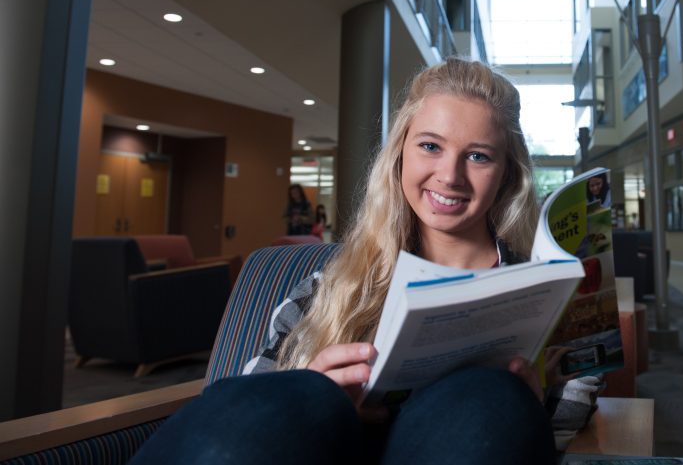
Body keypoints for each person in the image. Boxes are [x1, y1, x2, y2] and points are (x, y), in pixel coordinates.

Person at [130, 58, 599, 465]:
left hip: (467, 445)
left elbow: (571, 419)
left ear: (506, 175)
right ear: (399, 156)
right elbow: (253, 395)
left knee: (490, 397)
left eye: (477, 156)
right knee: (304, 394)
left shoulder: (544, 293)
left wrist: (530, 404)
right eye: (430, 146)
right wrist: (315, 392)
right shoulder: (333, 284)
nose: (449, 175)